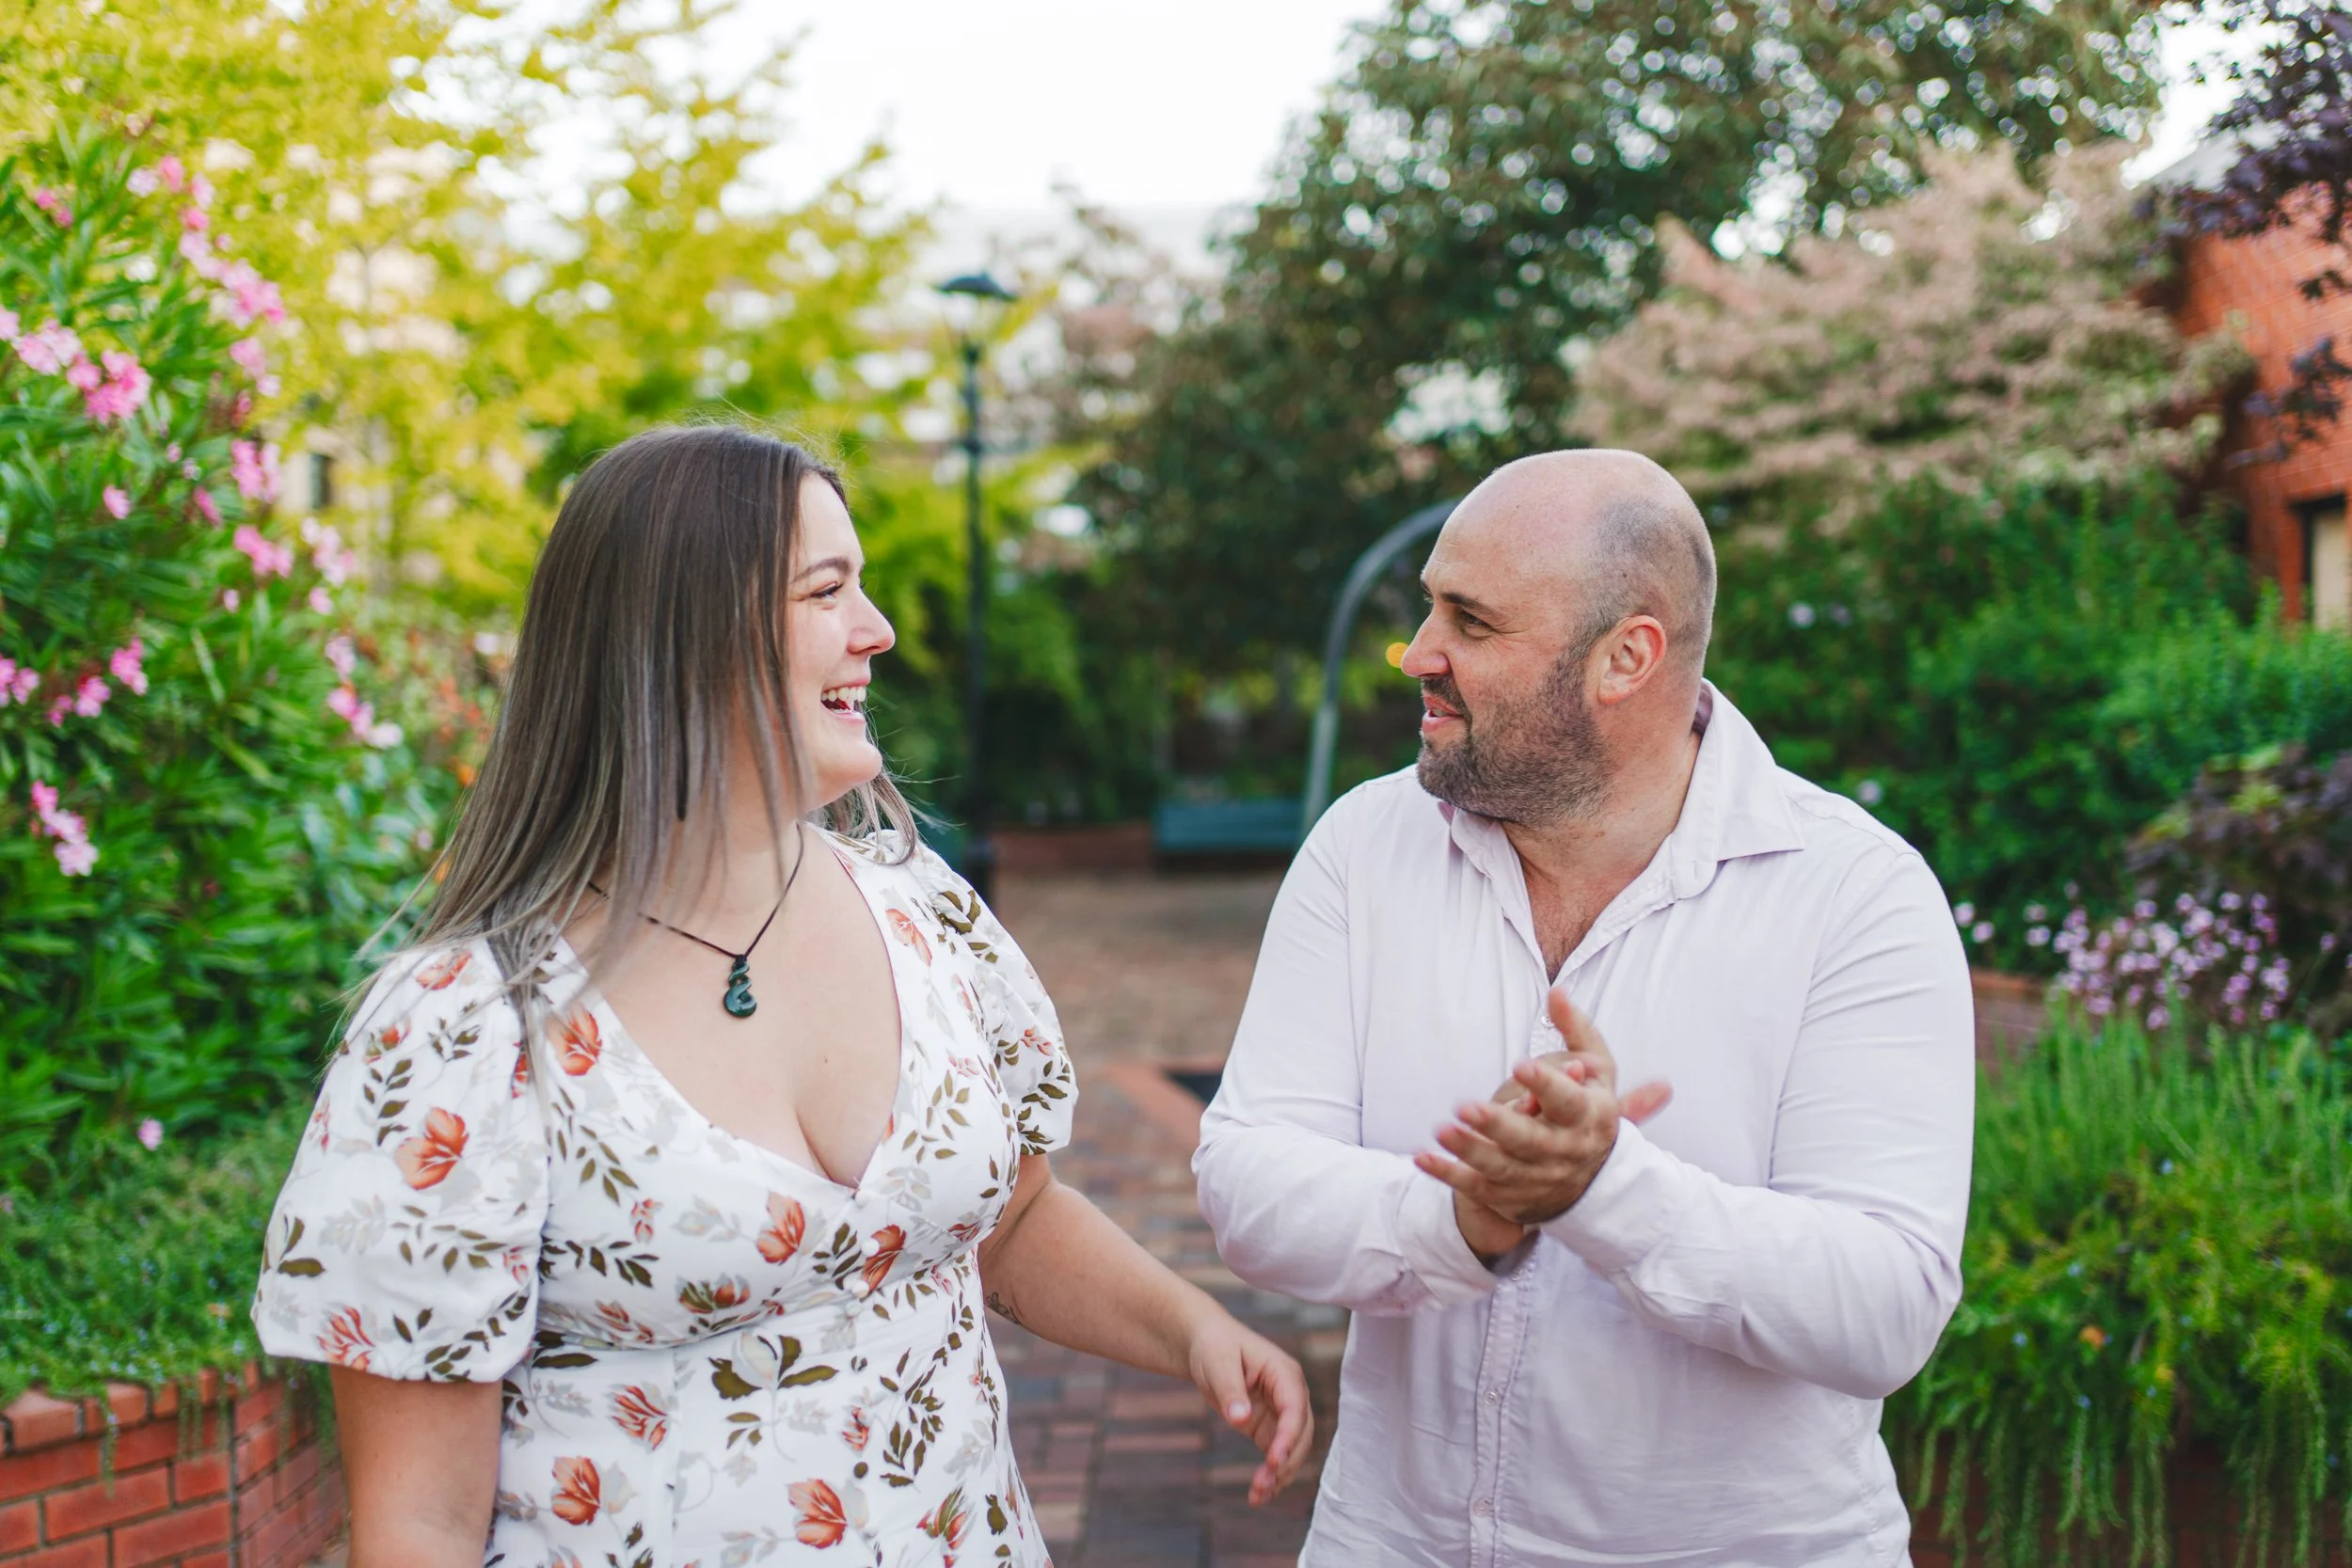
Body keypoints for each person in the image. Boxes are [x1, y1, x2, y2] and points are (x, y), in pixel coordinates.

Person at [253, 424, 1311, 1567]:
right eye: (827, 591)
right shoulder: (464, 1023)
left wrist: (1191, 1328)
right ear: (681, 635)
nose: (879, 630)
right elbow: (421, 1521)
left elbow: (1013, 1218)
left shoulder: (926, 914)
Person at [1194, 449, 1974, 1567]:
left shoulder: (1854, 890)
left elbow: (1884, 1306)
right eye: (1428, 607)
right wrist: (1462, 1219)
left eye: (1469, 619)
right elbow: (1246, 1176)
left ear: (1626, 657)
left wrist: (1611, 1190)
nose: (1418, 654)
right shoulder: (1363, 847)